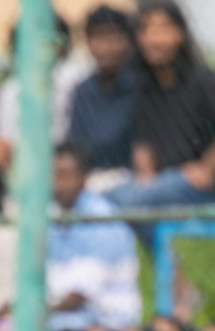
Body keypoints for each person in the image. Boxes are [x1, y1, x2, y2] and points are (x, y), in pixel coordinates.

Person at [107, 0, 215, 238]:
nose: (154, 39)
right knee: (105, 200)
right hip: (159, 185)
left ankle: (175, 276)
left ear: (179, 34)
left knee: (136, 203)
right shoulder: (143, 84)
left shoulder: (202, 78)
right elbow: (143, 142)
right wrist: (146, 178)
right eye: (146, 30)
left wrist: (207, 168)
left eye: (162, 29)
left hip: (198, 187)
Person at [46, 146, 140, 331]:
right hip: (63, 319)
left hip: (109, 323)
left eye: (66, 175)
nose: (60, 184)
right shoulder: (52, 216)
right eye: (55, 176)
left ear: (83, 177)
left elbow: (80, 294)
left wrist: (34, 313)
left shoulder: (102, 217)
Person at [0, 13, 90, 179]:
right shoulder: (9, 89)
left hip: (68, 173)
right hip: (21, 175)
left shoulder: (76, 78)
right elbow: (0, 150)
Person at [66, 5, 138, 192]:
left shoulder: (140, 87)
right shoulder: (82, 90)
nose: (105, 47)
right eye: (97, 38)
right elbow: (75, 146)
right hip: (89, 180)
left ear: (128, 41)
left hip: (130, 179)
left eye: (112, 38)